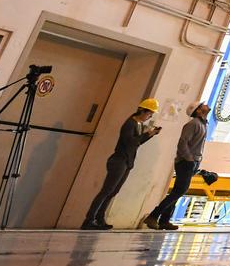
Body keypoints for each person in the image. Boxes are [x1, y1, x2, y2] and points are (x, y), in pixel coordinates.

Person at [82, 98, 162, 229]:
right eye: (149, 113)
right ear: (142, 110)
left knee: (113, 191)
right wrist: (147, 134)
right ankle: (89, 220)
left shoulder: (139, 124)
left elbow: (137, 143)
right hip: (119, 160)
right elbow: (130, 142)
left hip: (127, 161)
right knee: (106, 190)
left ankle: (100, 218)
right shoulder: (130, 123)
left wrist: (151, 134)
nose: (150, 116)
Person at [142, 101, 210, 231]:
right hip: (186, 162)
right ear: (198, 110)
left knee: (177, 192)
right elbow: (183, 143)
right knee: (179, 191)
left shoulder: (203, 124)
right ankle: (153, 216)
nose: (206, 106)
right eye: (203, 105)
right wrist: (189, 159)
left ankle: (164, 220)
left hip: (192, 162)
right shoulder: (193, 124)